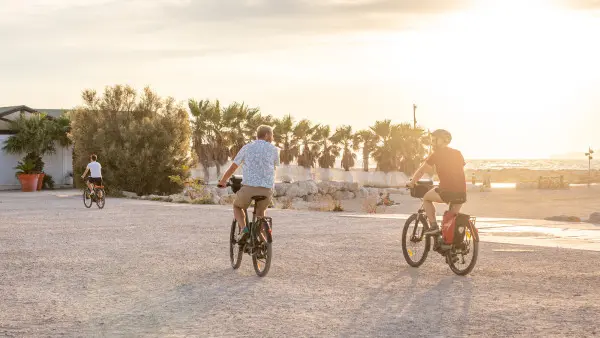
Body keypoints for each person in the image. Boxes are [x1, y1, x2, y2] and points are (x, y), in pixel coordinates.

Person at [218, 125, 280, 242]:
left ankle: (244, 229)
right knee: (261, 213)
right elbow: (275, 166)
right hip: (267, 190)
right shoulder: (274, 149)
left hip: (249, 188)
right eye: (272, 135)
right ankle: (262, 239)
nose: (272, 137)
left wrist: (223, 180)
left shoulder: (247, 148)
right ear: (266, 135)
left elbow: (233, 167)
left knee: (237, 206)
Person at [408, 129, 466, 235]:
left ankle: (433, 226)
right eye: (432, 140)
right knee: (451, 220)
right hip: (462, 193)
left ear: (444, 140)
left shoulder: (436, 154)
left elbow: (422, 170)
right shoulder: (458, 153)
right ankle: (450, 247)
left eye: (435, 140)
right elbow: (458, 171)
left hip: (447, 191)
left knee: (426, 198)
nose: (433, 142)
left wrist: (412, 182)